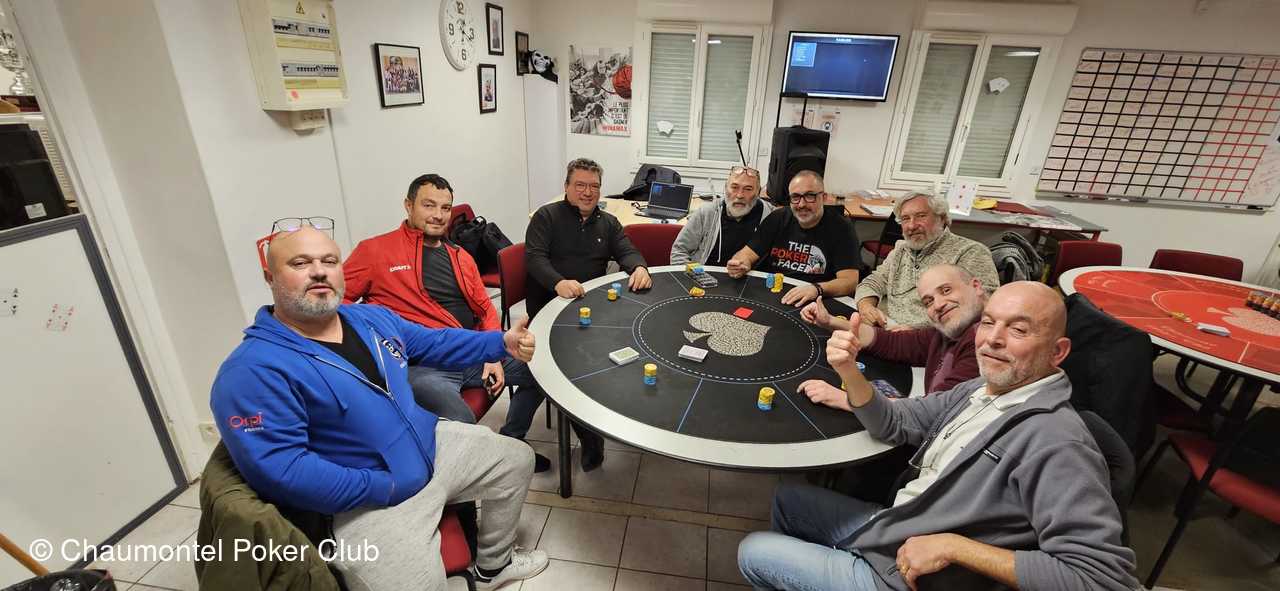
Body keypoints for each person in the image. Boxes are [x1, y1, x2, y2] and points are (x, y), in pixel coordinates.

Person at [211, 222, 548, 590]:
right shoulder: (252, 371)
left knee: (516, 459)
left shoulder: (369, 319)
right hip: (367, 500)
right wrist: (383, 486)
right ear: (270, 277)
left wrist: (500, 343)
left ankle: (494, 567)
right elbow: (284, 471)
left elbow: (434, 343)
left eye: (329, 261)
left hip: (428, 447)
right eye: (300, 263)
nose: (319, 271)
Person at [738, 281, 1138, 591]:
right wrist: (848, 371)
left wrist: (955, 547)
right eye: (988, 322)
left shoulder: (1058, 442)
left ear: (1058, 352)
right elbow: (894, 421)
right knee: (787, 499)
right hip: (896, 526)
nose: (993, 339)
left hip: (906, 576)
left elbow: (1101, 578)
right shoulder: (982, 390)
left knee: (753, 551)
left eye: (1018, 329)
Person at [343, 173, 552, 472]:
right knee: (463, 424)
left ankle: (513, 438)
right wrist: (381, 335)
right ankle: (479, 475)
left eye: (445, 208)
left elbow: (485, 308)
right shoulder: (375, 251)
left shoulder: (460, 255)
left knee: (544, 370)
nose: (439, 215)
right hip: (422, 366)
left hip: (470, 350)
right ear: (408, 206)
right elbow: (338, 304)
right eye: (429, 205)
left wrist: (492, 354)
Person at [525, 157, 651, 471]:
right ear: (566, 186)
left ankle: (602, 419)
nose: (587, 192)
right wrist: (558, 282)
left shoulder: (608, 222)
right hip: (549, 309)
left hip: (591, 309)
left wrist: (638, 267)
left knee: (611, 355)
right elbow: (534, 258)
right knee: (565, 368)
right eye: (580, 185)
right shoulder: (545, 217)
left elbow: (626, 250)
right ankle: (590, 435)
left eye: (594, 186)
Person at [798, 264, 986, 401]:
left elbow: (932, 414)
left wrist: (844, 398)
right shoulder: (946, 333)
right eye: (928, 301)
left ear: (976, 286)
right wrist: (829, 321)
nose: (938, 304)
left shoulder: (984, 345)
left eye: (946, 290)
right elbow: (890, 342)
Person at [854, 190, 999, 329]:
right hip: (887, 326)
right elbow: (873, 282)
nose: (911, 226)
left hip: (933, 338)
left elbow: (982, 307)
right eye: (905, 219)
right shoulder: (901, 249)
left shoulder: (971, 252)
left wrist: (917, 331)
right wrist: (866, 306)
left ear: (942, 219)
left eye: (921, 216)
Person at [724, 170, 861, 307]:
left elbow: (849, 282)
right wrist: (740, 263)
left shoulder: (841, 227)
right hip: (773, 294)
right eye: (795, 197)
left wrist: (816, 289)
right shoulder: (778, 218)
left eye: (810, 196)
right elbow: (746, 254)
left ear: (823, 197)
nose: (801, 204)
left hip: (816, 300)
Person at [669, 165, 774, 266]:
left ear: (758, 192)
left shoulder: (771, 216)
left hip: (751, 278)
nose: (739, 195)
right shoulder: (707, 213)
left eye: (748, 189)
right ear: (725, 188)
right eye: (734, 187)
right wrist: (695, 276)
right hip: (703, 276)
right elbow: (679, 252)